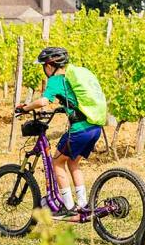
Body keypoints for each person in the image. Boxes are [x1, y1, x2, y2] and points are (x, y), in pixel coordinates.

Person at [16, 46, 102, 220]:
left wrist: (25, 107)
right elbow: (73, 100)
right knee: (72, 163)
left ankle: (67, 207)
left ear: (49, 65)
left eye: (44, 66)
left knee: (57, 163)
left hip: (80, 130)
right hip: (95, 127)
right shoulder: (70, 79)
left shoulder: (55, 80)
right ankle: (83, 204)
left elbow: (43, 101)